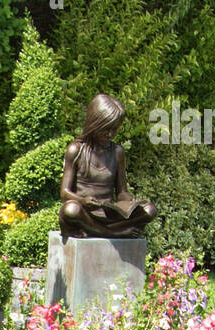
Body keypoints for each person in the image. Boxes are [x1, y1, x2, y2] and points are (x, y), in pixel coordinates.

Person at [59, 93, 157, 239]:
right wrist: (83, 200)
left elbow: (121, 191)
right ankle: (113, 233)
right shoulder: (76, 150)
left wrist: (129, 202)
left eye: (114, 129)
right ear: (95, 124)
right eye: (106, 129)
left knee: (149, 210)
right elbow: (64, 193)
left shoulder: (117, 152)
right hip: (85, 212)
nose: (110, 134)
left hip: (108, 213)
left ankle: (97, 231)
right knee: (71, 209)